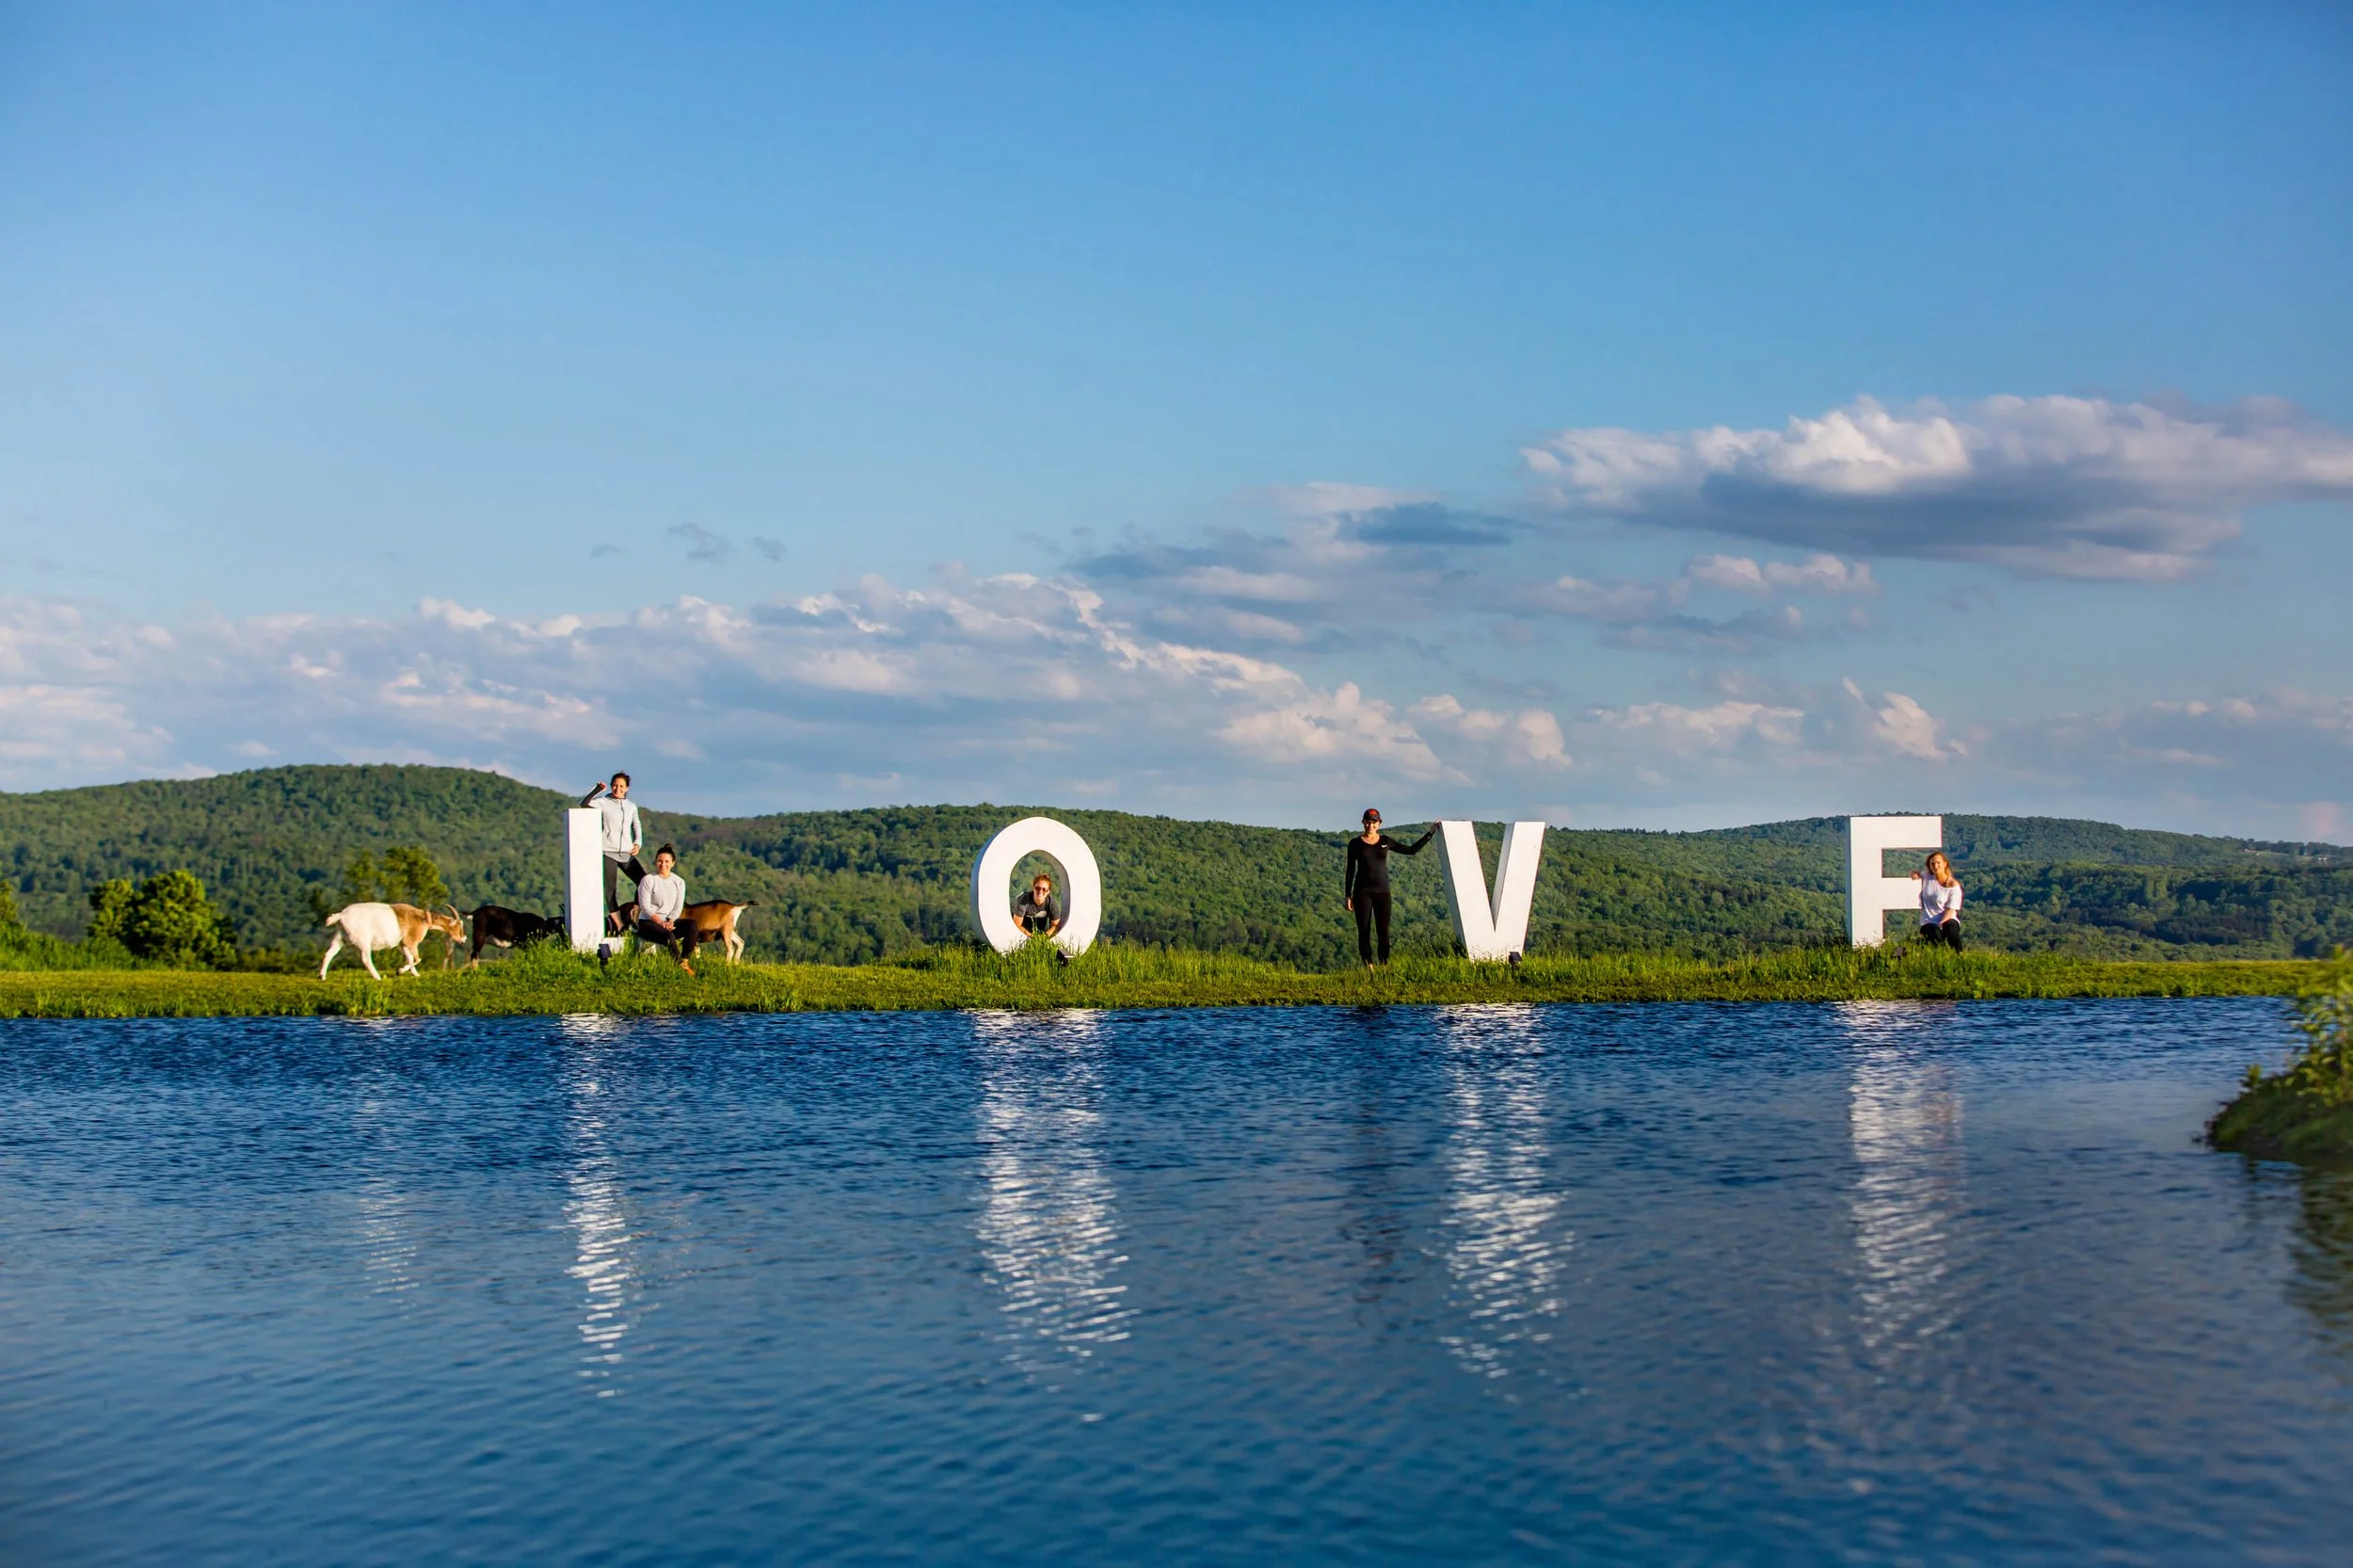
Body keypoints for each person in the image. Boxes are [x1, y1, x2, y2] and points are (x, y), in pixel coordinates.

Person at [1343, 808, 1434, 968]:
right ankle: (1369, 967)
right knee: (1364, 931)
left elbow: (1411, 850)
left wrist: (1430, 834)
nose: (1370, 825)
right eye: (1367, 822)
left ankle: (1384, 967)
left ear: (1379, 823)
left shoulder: (1386, 841)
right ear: (1363, 822)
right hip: (1362, 892)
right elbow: (1350, 869)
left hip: (1383, 892)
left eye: (1373, 822)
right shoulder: (1355, 843)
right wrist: (1348, 895)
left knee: (1383, 933)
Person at [582, 773, 645, 935]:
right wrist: (596, 790)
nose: (618, 789)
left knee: (644, 882)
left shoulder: (631, 806)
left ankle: (635, 917)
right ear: (611, 786)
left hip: (626, 851)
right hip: (607, 851)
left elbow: (636, 825)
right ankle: (619, 924)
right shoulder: (603, 802)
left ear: (627, 788)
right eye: (615, 785)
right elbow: (584, 804)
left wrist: (638, 842)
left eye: (621, 786)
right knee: (610, 890)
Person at [633, 844, 699, 972]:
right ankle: (679, 965)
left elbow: (678, 906)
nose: (663, 864)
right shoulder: (648, 880)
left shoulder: (679, 882)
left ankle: (685, 960)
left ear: (673, 863)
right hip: (649, 922)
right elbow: (645, 906)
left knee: (692, 925)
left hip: (668, 922)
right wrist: (661, 922)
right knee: (668, 936)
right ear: (655, 862)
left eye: (667, 861)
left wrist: (670, 921)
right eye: (660, 861)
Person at [1911, 850, 1963, 952]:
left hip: (1947, 918)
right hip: (1928, 921)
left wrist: (1941, 924)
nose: (1935, 866)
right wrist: (1914, 875)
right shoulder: (1927, 876)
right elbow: (1915, 873)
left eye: (1938, 863)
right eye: (1932, 864)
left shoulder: (1954, 886)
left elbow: (1951, 909)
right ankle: (1942, 956)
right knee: (1934, 934)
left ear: (1945, 864)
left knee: (1951, 928)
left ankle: (1959, 955)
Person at [1012, 872, 1064, 940]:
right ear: (1033, 888)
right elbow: (1016, 925)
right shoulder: (1024, 901)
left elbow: (1056, 925)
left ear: (1048, 892)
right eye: (1037, 888)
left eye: (1044, 889)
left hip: (1041, 930)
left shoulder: (1051, 903)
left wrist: (1044, 936)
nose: (1040, 891)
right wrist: (1033, 937)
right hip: (1022, 931)